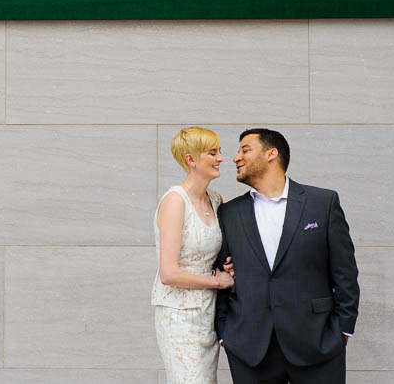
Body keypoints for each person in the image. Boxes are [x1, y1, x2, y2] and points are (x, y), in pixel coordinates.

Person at [215, 128, 359, 384]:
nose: (236, 158)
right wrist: (226, 332)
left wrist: (343, 329)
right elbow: (220, 273)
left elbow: (345, 272)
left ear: (272, 154)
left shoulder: (322, 203)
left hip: (318, 343)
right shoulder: (229, 213)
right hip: (250, 348)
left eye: (245, 150)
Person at [152, 126, 235, 384]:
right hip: (178, 316)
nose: (221, 157)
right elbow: (168, 273)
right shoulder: (175, 201)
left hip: (207, 314)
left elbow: (215, 253)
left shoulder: (216, 199)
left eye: (219, 151)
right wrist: (217, 281)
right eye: (212, 152)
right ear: (191, 160)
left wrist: (228, 267)